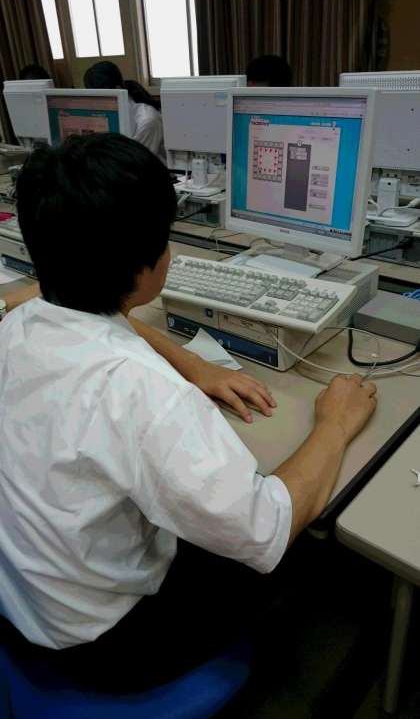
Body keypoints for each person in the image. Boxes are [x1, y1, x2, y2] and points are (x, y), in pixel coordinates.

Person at [0, 134, 377, 692]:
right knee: (298, 545)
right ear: (144, 266)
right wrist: (336, 424)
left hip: (23, 600)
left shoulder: (19, 323)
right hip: (100, 644)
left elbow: (111, 325)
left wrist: (193, 364)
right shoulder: (145, 394)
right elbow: (267, 526)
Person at [84, 60, 165, 162]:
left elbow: (135, 161)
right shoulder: (106, 112)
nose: (98, 102)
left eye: (102, 96)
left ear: (117, 89)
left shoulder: (148, 120)